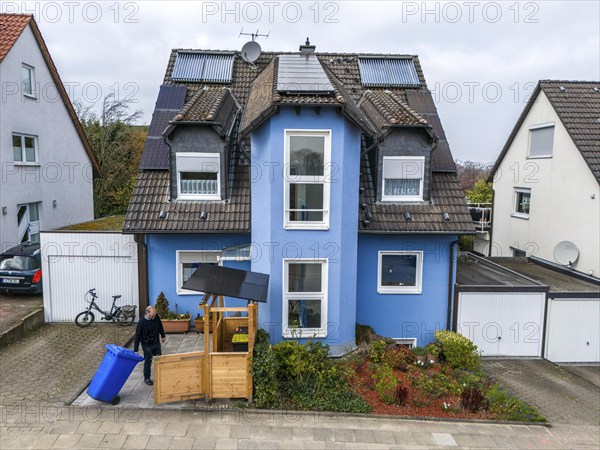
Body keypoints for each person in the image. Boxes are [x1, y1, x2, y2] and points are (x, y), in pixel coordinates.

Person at [134, 305, 166, 385]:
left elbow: (160, 326)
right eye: (153, 313)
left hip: (156, 343)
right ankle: (147, 378)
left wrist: (163, 335)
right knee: (148, 361)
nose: (154, 315)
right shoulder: (141, 322)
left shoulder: (156, 317)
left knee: (159, 359)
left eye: (155, 313)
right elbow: (137, 336)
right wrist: (136, 349)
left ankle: (160, 375)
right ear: (147, 313)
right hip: (147, 345)